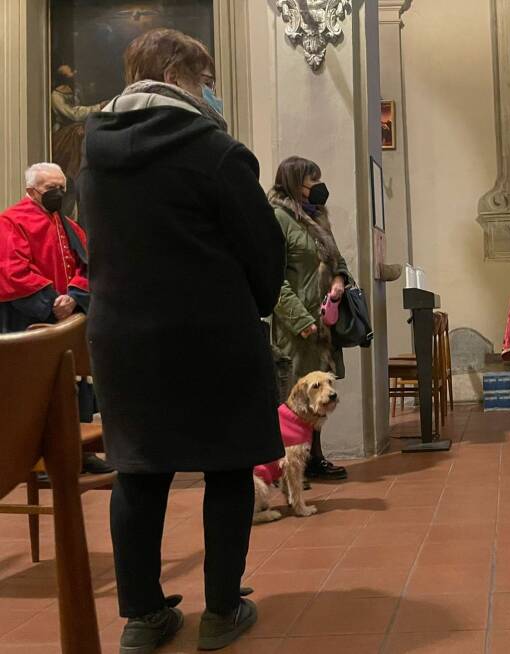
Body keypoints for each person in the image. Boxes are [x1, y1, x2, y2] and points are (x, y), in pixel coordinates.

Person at [78, 28, 285, 652]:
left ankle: (143, 618)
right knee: (226, 465)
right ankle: (221, 611)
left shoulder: (92, 152)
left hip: (122, 338)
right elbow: (261, 249)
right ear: (179, 76)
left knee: (139, 472)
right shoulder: (216, 150)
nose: (211, 92)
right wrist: (251, 303)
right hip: (211, 332)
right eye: (206, 80)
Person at [0, 162, 113, 475]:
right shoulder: (11, 222)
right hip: (30, 320)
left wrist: (74, 299)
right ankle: (36, 460)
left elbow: (88, 265)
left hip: (67, 321)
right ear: (31, 191)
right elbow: (12, 271)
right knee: (36, 392)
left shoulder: (69, 225)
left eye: (62, 188)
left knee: (76, 386)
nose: (59, 194)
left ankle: (79, 452)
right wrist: (51, 303)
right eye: (51, 189)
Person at [268, 156, 352, 481]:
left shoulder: (319, 218)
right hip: (295, 327)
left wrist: (339, 280)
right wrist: (301, 320)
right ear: (294, 183)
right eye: (311, 181)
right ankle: (290, 467)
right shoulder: (277, 217)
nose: (318, 187)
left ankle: (315, 458)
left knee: (320, 397)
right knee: (295, 399)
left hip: (323, 323)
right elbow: (273, 278)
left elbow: (337, 259)